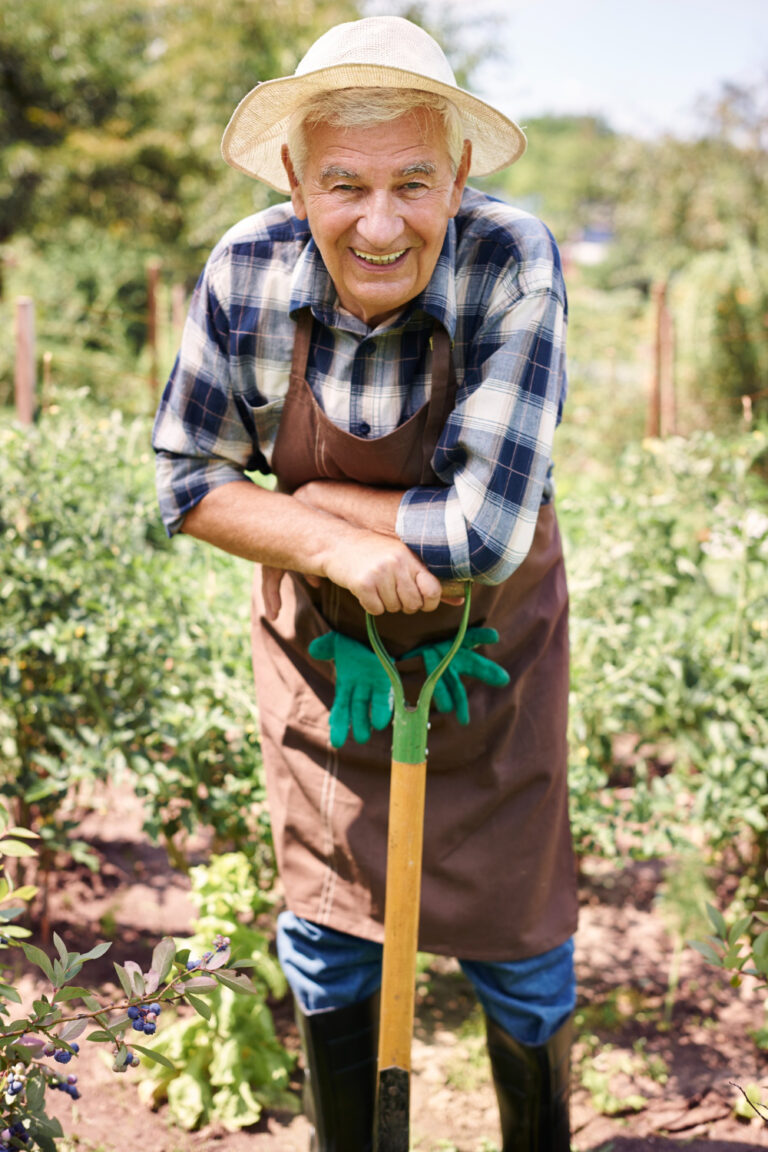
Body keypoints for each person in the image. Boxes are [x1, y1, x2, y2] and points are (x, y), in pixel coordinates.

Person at [152, 15, 578, 1151]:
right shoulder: (245, 269)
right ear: (294, 179)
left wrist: (304, 506)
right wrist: (337, 551)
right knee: (330, 941)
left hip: (495, 663)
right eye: (342, 183)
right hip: (321, 663)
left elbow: (485, 534)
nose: (379, 223)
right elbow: (185, 485)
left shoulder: (512, 259)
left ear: (462, 176)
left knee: (522, 949)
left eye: (412, 182)